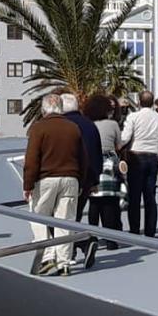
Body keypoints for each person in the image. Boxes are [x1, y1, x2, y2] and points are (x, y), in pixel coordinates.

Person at [23, 93, 86, 275]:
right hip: (71, 179)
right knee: (65, 221)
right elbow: (83, 157)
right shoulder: (73, 127)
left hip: (46, 179)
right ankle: (64, 263)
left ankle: (48, 256)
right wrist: (81, 180)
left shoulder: (39, 128)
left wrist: (28, 185)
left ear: (44, 109)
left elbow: (32, 159)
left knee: (38, 216)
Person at [121, 91, 158, 238]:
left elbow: (125, 137)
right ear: (153, 102)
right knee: (150, 196)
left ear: (139, 102)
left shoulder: (133, 117)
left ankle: (135, 231)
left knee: (134, 197)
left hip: (136, 157)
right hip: (153, 157)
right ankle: (150, 231)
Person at [84, 94, 125, 250]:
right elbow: (119, 145)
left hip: (92, 163)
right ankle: (111, 240)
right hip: (108, 163)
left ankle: (92, 237)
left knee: (93, 203)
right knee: (108, 203)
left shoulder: (89, 123)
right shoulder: (112, 124)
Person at [61, 90, 102, 233]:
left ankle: (76, 244)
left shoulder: (62, 124)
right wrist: (95, 180)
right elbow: (97, 153)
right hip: (87, 178)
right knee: (76, 214)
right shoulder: (90, 125)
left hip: (65, 175)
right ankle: (82, 243)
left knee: (60, 216)